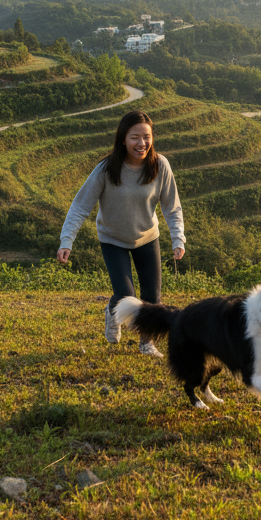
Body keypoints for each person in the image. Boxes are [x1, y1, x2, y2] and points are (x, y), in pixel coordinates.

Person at [57, 110, 185, 356]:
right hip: (112, 239)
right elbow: (80, 206)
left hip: (147, 237)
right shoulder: (106, 169)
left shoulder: (160, 165)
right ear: (123, 139)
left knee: (152, 297)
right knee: (126, 295)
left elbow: (172, 206)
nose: (142, 143)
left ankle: (146, 343)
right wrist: (66, 241)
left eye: (146, 137)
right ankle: (112, 311)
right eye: (135, 137)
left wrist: (178, 237)